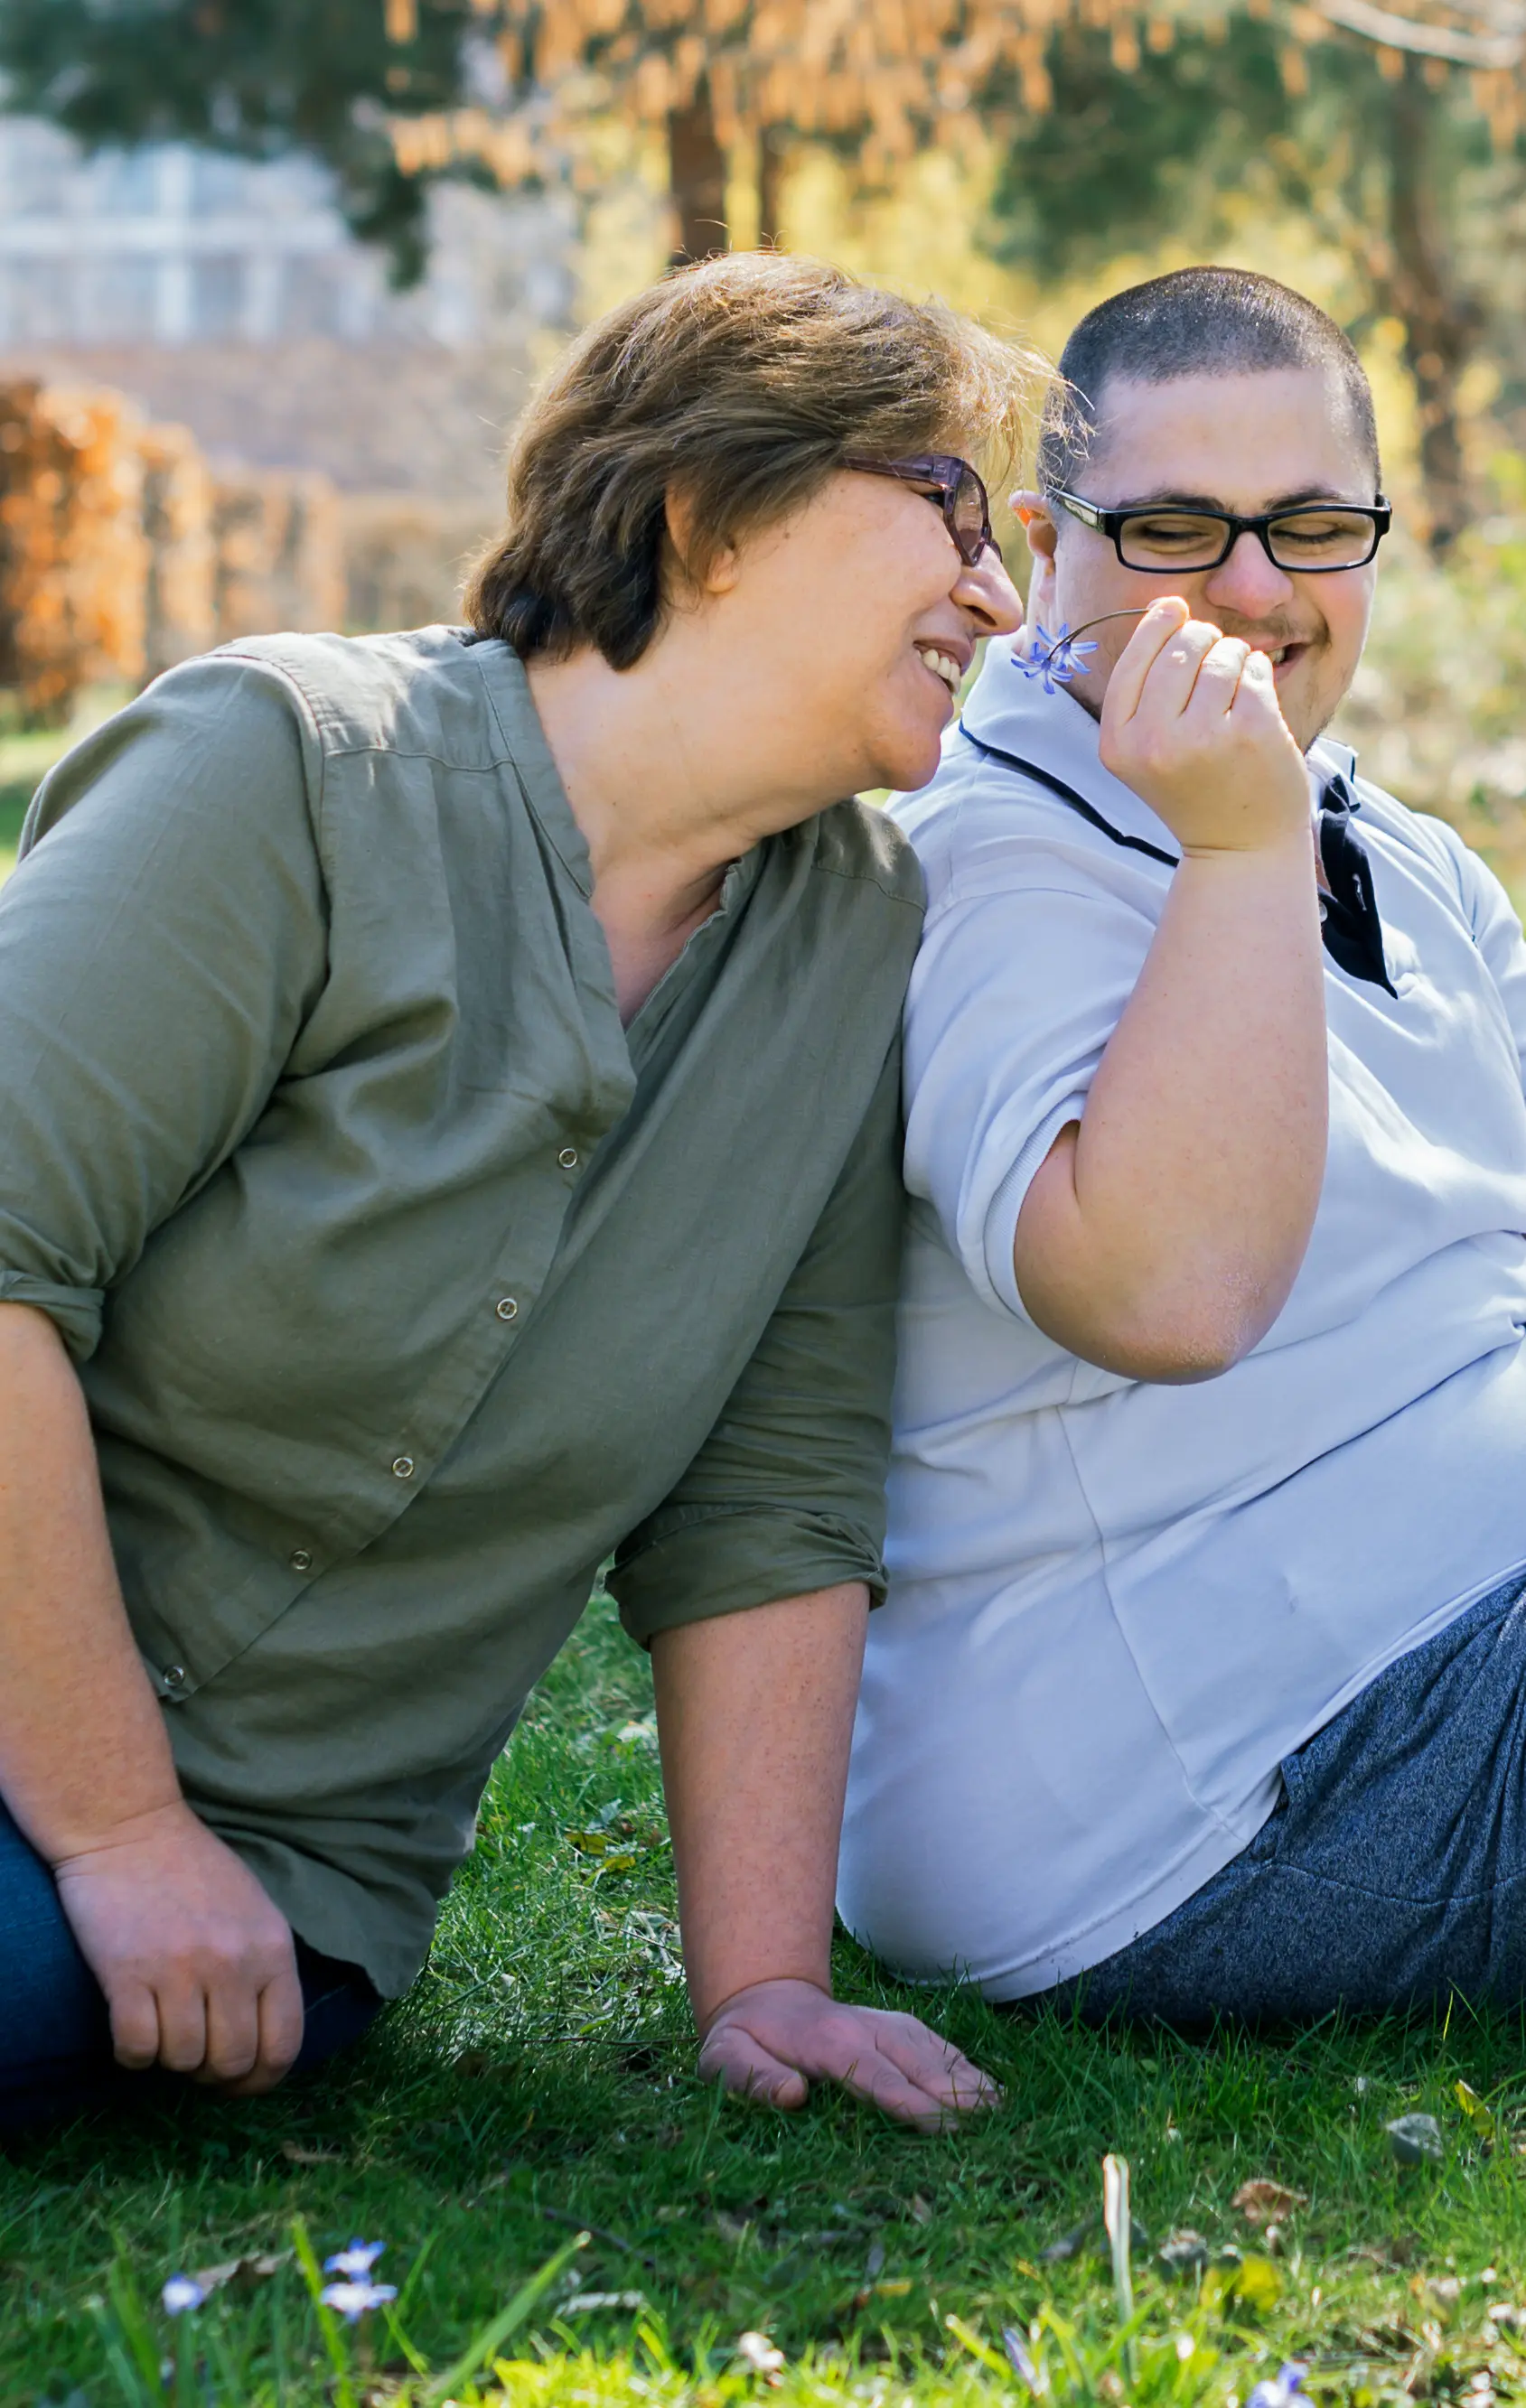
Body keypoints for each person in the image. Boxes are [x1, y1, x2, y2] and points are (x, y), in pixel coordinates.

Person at [0, 251, 1033, 2132]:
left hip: (280, 1893)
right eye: (945, 500)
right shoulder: (286, 772)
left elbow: (768, 1494)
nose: (995, 584)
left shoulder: (855, 937)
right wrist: (116, 1821)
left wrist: (767, 1981)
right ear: (708, 513)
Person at [838, 265, 1526, 2025]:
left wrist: (1258, 824)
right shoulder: (974, 870)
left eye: (1309, 526)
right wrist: (1231, 848)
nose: (1249, 589)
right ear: (1040, 546)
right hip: (1217, 1789)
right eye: (1171, 528)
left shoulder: (1410, 855)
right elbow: (1173, 1288)